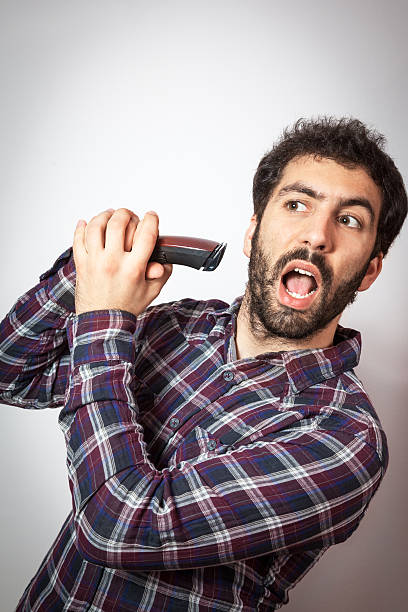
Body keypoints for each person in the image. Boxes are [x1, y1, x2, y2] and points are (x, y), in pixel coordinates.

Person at [0, 116, 406, 611]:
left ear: (369, 270)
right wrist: (89, 269)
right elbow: (12, 374)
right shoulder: (177, 326)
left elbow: (122, 528)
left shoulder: (345, 441)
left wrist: (104, 317)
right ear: (254, 233)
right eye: (297, 204)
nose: (317, 236)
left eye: (349, 220)